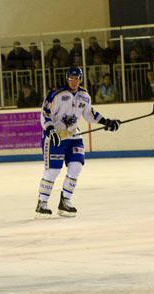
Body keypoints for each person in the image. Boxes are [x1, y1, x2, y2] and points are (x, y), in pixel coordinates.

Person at [36, 66, 120, 218]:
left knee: (76, 166)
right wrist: (50, 129)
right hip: (56, 137)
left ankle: (65, 201)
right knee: (53, 171)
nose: (74, 81)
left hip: (74, 136)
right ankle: (42, 203)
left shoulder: (84, 96)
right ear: (67, 79)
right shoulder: (56, 94)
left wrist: (107, 122)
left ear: (81, 79)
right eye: (71, 78)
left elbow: (90, 114)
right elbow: (45, 113)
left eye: (77, 78)